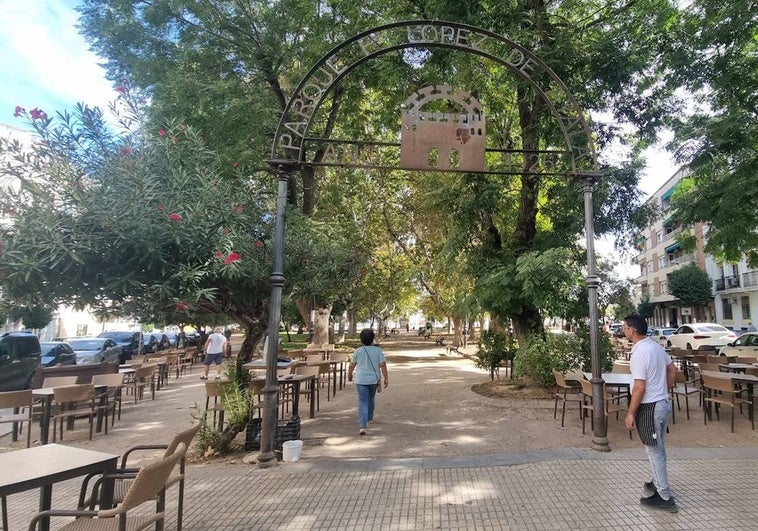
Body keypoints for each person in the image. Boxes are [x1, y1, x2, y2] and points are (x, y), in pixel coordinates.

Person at [623, 314, 678, 513]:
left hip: (650, 408)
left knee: (653, 451)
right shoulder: (655, 347)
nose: (623, 330)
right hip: (662, 403)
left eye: (625, 327)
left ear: (633, 331)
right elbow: (672, 370)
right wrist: (664, 390)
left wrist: (630, 413)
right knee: (658, 447)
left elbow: (639, 387)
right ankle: (657, 483)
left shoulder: (639, 353)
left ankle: (665, 497)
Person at [347, 328, 389, 436]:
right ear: (372, 339)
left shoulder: (358, 351)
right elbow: (382, 365)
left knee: (362, 401)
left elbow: (352, 365)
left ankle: (362, 425)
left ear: (361, 339)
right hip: (373, 380)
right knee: (370, 398)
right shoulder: (378, 351)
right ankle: (369, 418)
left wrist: (350, 375)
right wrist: (386, 378)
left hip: (361, 379)